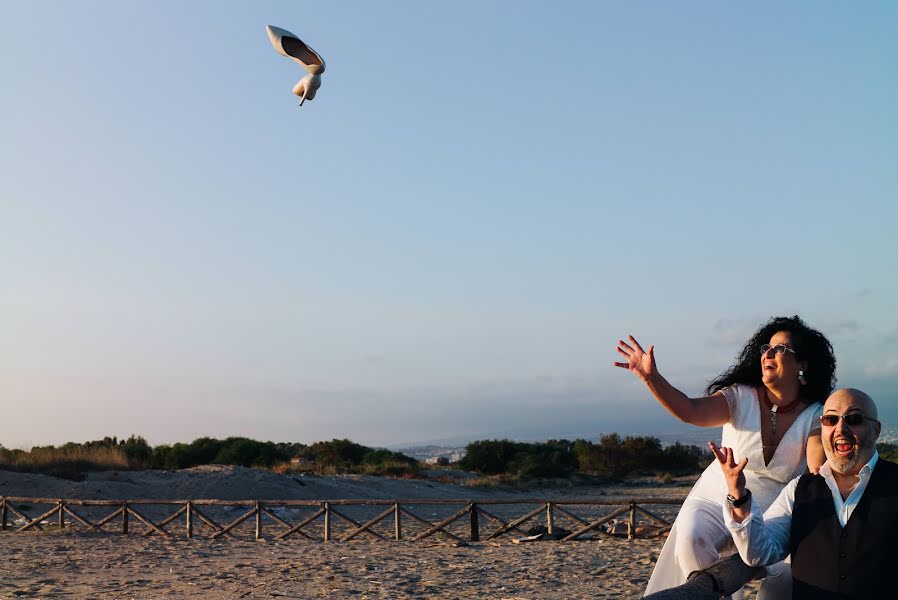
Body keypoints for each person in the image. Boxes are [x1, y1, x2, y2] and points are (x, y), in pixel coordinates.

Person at [614, 316, 836, 599]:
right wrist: (651, 378)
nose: (767, 353)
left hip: (773, 509)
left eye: (780, 349)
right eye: (765, 348)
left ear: (802, 364)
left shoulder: (815, 414)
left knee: (782, 581)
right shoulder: (739, 397)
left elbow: (817, 465)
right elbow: (690, 410)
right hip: (716, 494)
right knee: (691, 539)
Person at [713, 388, 897, 599]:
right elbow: (759, 552)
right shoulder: (798, 490)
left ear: (876, 429)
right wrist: (739, 496)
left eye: (853, 418)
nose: (840, 428)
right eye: (830, 419)